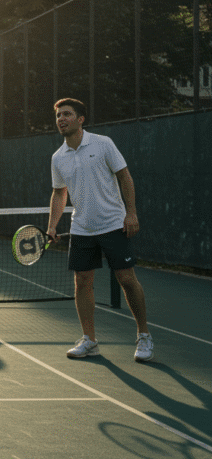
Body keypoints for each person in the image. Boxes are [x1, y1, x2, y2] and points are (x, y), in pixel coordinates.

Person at [47, 98, 153, 362]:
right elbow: (59, 193)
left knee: (127, 280)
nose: (61, 119)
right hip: (81, 228)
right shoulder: (58, 157)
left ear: (81, 119)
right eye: (59, 115)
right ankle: (90, 340)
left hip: (113, 224)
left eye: (67, 114)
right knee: (82, 282)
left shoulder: (103, 144)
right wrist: (51, 226)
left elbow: (124, 176)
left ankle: (144, 336)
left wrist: (131, 213)